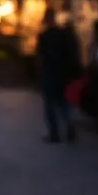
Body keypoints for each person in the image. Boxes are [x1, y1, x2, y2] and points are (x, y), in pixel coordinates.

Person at [35, 8, 81, 143]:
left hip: (49, 72)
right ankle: (69, 122)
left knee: (50, 103)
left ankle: (54, 132)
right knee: (63, 102)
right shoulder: (63, 35)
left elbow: (40, 57)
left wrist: (39, 73)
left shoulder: (44, 36)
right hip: (62, 73)